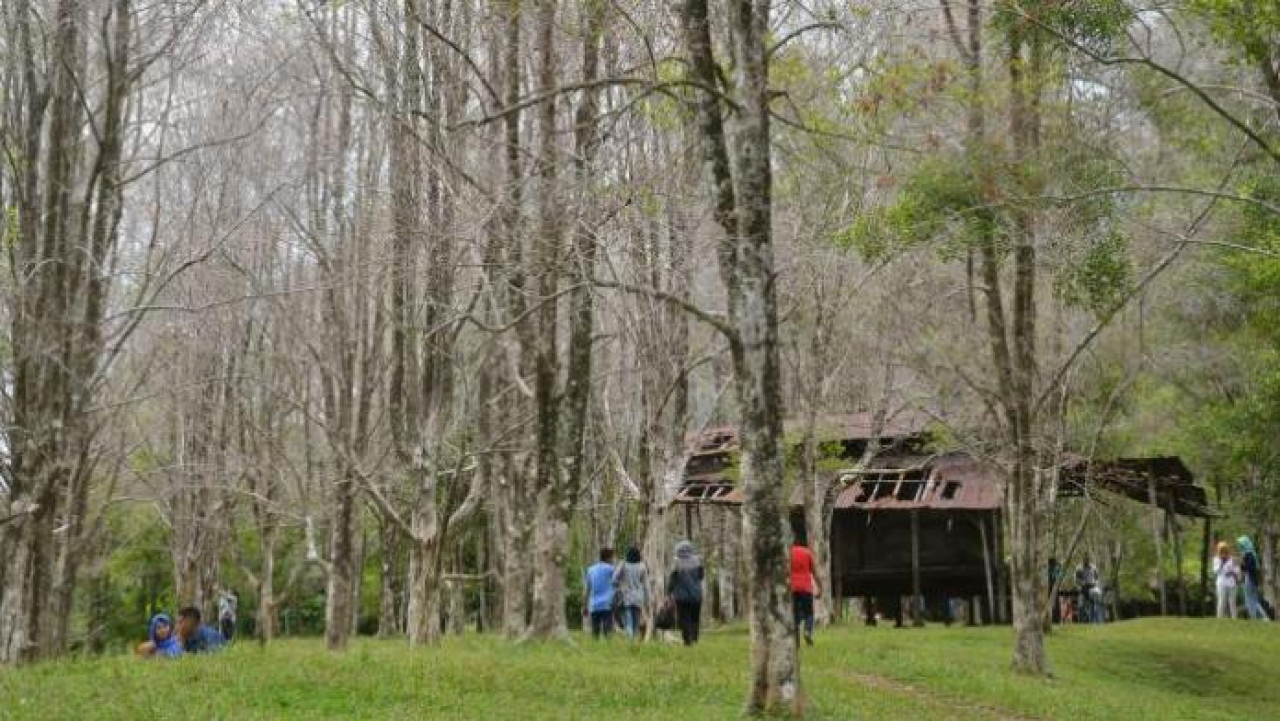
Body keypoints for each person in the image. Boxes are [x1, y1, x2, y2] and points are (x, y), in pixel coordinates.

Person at [668, 540, 704, 645]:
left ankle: (687, 641)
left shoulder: (676, 562)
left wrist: (668, 592)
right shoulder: (698, 561)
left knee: (684, 619)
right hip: (697, 595)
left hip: (681, 597)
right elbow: (701, 576)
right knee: (695, 618)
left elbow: (672, 580)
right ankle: (695, 639)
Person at [612, 545, 648, 640]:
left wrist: (620, 585)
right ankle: (634, 646)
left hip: (626, 598)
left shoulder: (623, 564)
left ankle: (630, 643)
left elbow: (614, 579)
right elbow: (645, 586)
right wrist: (647, 601)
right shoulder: (642, 566)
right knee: (636, 625)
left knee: (628, 623)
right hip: (638, 599)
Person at [790, 537, 820, 646]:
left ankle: (796, 640)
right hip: (806, 587)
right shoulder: (807, 553)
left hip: (792, 588)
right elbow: (814, 571)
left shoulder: (787, 554)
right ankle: (807, 631)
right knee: (809, 613)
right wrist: (819, 586)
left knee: (793, 615)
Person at [584, 548, 617, 638]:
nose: (613, 560)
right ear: (608, 558)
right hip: (607, 604)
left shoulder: (590, 570)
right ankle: (608, 650)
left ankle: (594, 648)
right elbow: (616, 584)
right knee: (608, 632)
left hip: (594, 605)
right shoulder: (611, 569)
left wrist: (585, 606)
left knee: (595, 632)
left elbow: (587, 589)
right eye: (612, 558)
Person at [1237, 536, 1270, 621]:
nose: (1239, 547)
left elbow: (1249, 568)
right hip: (1252, 579)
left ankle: (1256, 617)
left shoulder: (1249, 554)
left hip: (1250, 579)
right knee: (1253, 599)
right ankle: (1262, 617)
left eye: (1241, 545)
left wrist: (1242, 563)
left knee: (1250, 600)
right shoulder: (1251, 554)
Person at [1075, 556, 1103, 623]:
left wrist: (1095, 583)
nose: (1086, 562)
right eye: (1085, 560)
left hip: (1092, 588)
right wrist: (1082, 583)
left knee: (1095, 603)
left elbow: (1097, 578)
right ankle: (1081, 622)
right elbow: (1076, 580)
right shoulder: (1079, 568)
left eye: (1087, 560)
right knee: (1081, 606)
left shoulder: (1093, 567)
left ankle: (1095, 621)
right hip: (1083, 589)